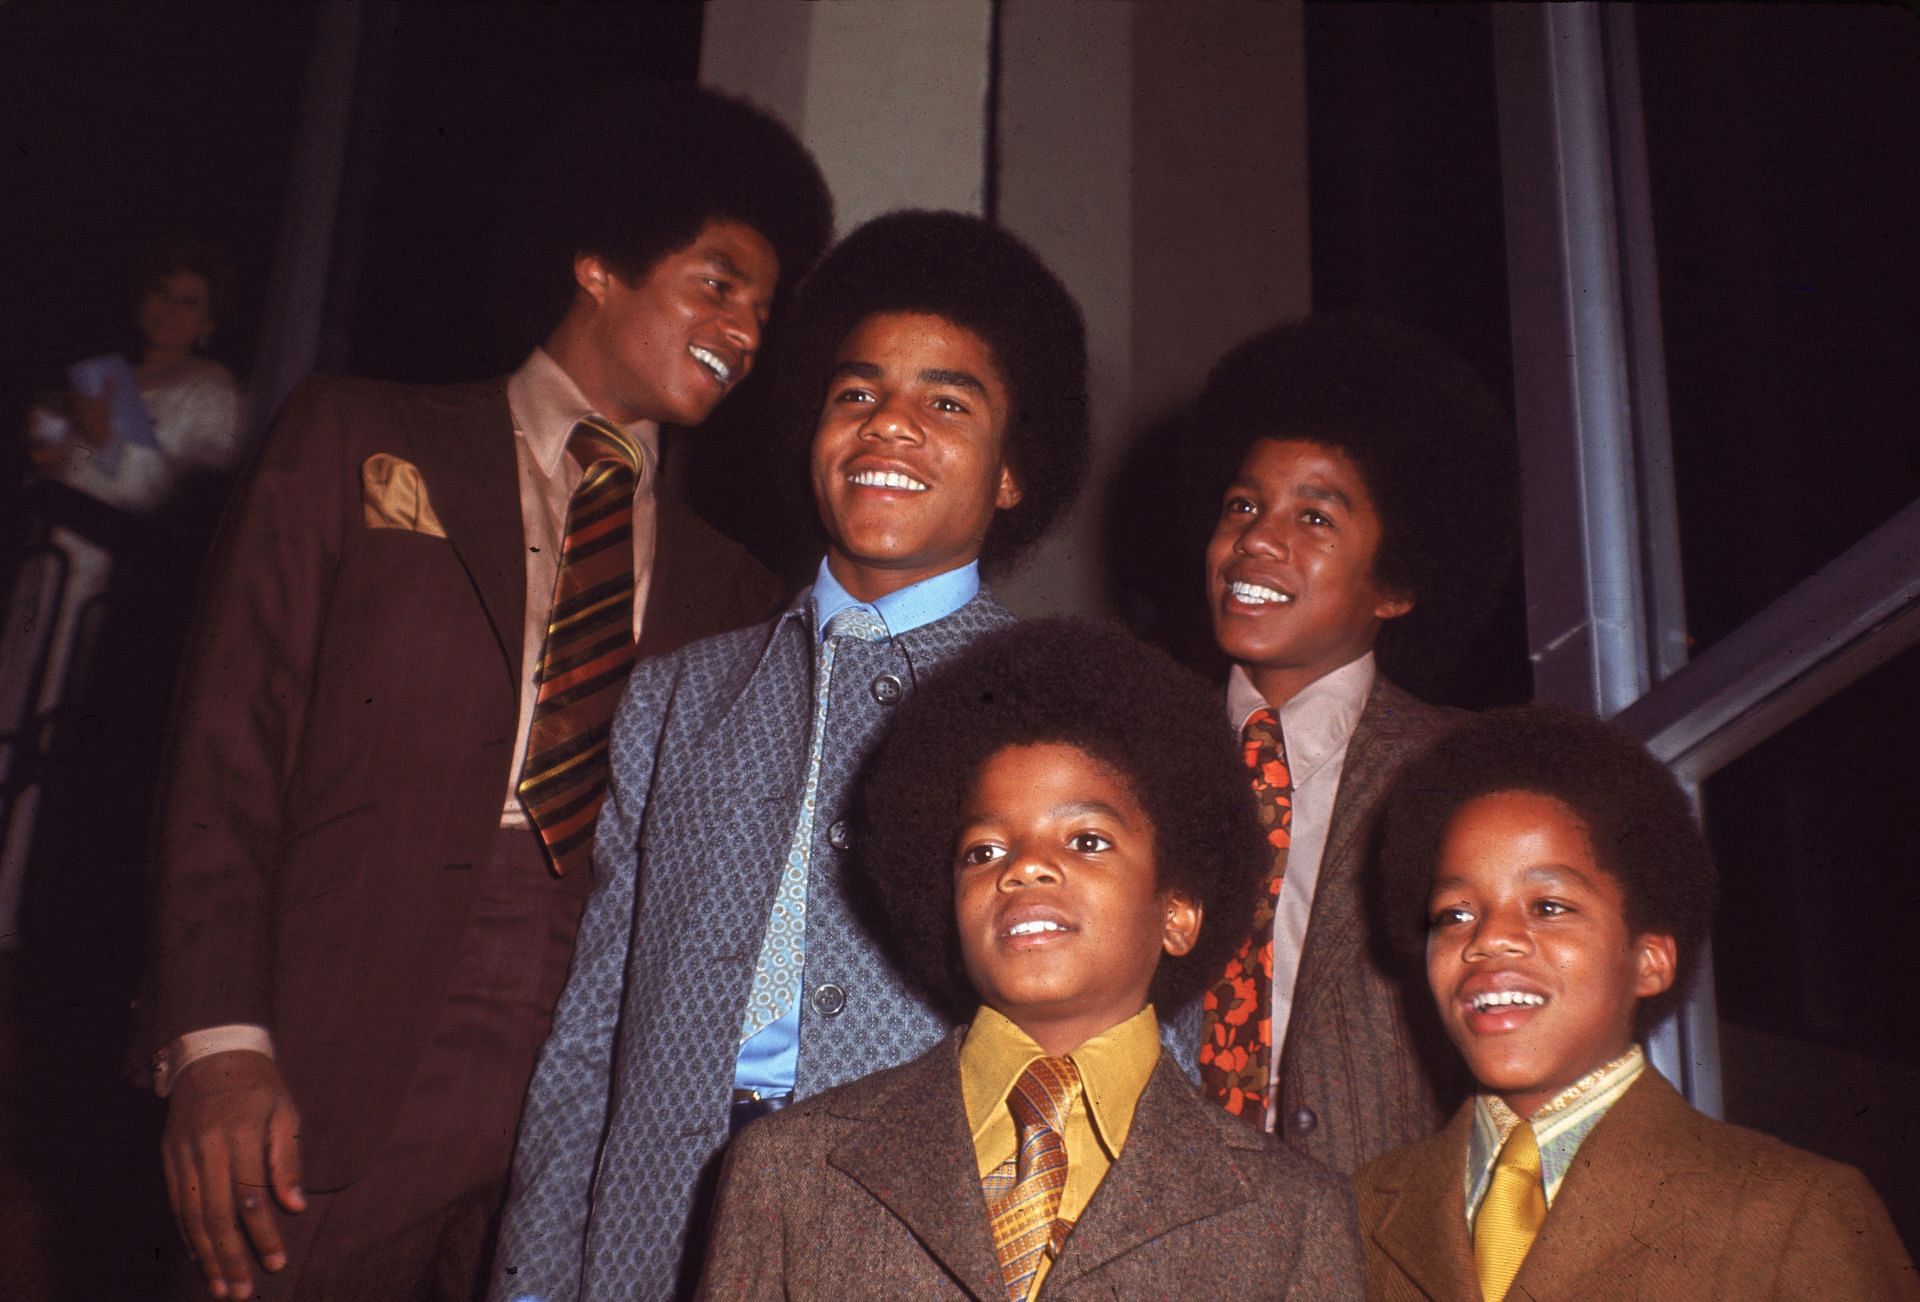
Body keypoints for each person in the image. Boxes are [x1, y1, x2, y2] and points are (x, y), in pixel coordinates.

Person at [143, 83, 832, 1301]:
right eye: (718, 280)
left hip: (589, 1100)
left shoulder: (737, 587)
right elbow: (224, 758)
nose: (745, 327)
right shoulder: (356, 436)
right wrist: (217, 1044)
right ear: (599, 264)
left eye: (765, 310)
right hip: (330, 1057)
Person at [493, 210, 1091, 1300]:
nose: (890, 426)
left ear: (1014, 472)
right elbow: (593, 1030)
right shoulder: (681, 696)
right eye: (856, 393)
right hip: (649, 1242)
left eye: (947, 402)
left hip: (909, 1251)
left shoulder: (1067, 713)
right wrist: (537, 1279)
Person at [697, 618, 1365, 1300]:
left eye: (1086, 840)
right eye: (983, 852)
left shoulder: (1292, 1217)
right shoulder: (792, 1171)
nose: (1025, 868)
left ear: (1178, 913)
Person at [1355, 705, 1918, 1300]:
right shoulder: (1359, 1209)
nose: (1487, 938)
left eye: (1548, 907)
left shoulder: (1793, 1210)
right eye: (1455, 914)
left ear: (1650, 962)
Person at [1178, 314, 1514, 1174]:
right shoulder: (1132, 754)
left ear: (1395, 583)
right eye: (1244, 505)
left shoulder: (1468, 778)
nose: (1257, 539)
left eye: (1315, 518)